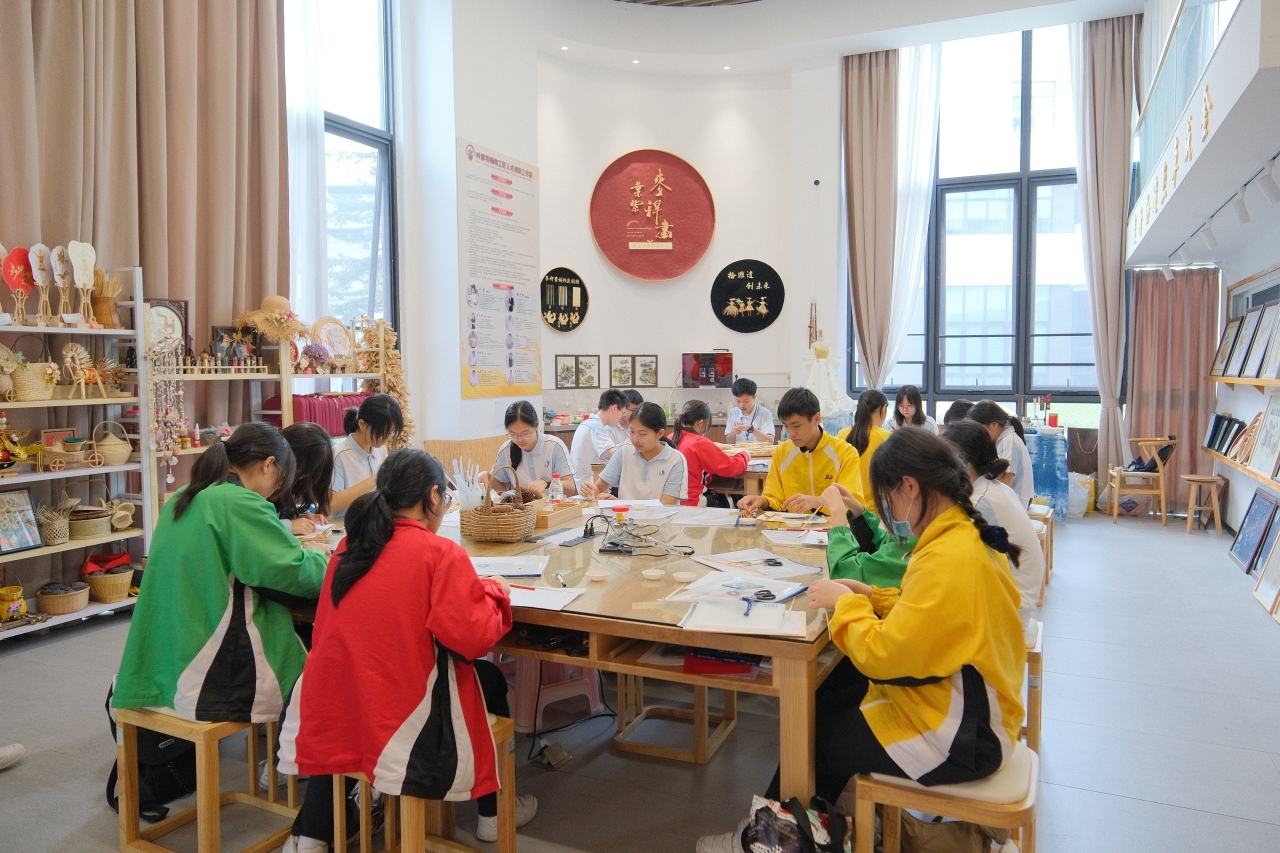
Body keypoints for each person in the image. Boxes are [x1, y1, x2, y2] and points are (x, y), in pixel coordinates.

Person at [697, 430, 1025, 852]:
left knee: (820, 740)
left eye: (885, 501)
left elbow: (884, 657)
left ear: (910, 487)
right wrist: (873, 596)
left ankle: (769, 840)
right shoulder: (956, 535)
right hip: (964, 707)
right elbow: (930, 616)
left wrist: (846, 604)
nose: (886, 514)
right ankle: (784, 829)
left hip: (964, 736)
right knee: (829, 695)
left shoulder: (948, 555)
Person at [279, 450, 536, 852]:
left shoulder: (349, 546)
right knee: (488, 680)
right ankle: (492, 814)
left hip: (334, 705)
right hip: (402, 717)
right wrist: (494, 591)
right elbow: (473, 639)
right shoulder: (439, 553)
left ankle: (311, 836)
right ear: (433, 497)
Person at [112, 423, 328, 722]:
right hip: (209, 665)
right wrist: (321, 557)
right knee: (325, 659)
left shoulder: (187, 493)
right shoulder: (240, 502)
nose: (275, 492)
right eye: (280, 481)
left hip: (163, 657)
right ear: (268, 465)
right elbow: (293, 573)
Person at [944, 422, 1045, 645]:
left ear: (963, 461)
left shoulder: (981, 500)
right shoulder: (991, 487)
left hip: (1010, 609)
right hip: (1018, 598)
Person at [737, 387, 862, 514]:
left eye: (796, 426)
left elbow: (853, 507)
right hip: (791, 525)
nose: (791, 433)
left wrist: (819, 502)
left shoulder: (845, 453)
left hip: (834, 526)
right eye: (786, 426)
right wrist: (763, 501)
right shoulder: (782, 452)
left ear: (816, 419)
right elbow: (776, 500)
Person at [579, 403, 688, 505]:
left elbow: (666, 505)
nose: (635, 439)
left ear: (660, 433)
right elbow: (599, 487)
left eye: (642, 435)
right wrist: (589, 491)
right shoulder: (623, 452)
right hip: (624, 518)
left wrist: (622, 504)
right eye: (631, 432)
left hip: (660, 519)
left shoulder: (675, 460)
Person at [820, 483, 914, 589]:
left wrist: (837, 512)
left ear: (911, 487)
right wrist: (857, 511)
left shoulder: (916, 552)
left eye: (885, 499)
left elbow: (846, 577)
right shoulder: (916, 534)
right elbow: (883, 545)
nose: (883, 507)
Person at [481, 400, 577, 497]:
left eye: (525, 433)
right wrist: (488, 477)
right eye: (513, 434)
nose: (519, 439)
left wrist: (546, 482)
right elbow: (503, 487)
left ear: (537, 425)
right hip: (522, 506)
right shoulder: (506, 450)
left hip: (552, 504)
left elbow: (570, 487)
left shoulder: (554, 446)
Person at [330, 393, 403, 519]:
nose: (386, 439)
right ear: (362, 424)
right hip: (345, 525)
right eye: (381, 433)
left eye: (391, 432)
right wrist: (376, 479)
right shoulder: (339, 454)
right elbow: (330, 505)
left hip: (373, 522)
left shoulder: (380, 449)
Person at [669, 400, 750, 507]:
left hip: (670, 502)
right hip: (693, 504)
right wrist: (745, 454)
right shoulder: (699, 443)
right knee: (728, 502)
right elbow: (732, 467)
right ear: (701, 423)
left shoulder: (671, 437)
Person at [968, 400, 1035, 506]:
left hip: (1015, 503)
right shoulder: (1003, 440)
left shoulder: (1009, 442)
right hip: (1009, 500)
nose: (976, 434)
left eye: (978, 429)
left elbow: (1005, 484)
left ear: (994, 425)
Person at [274, 422, 334, 535]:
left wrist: (298, 518)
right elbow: (254, 526)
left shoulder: (285, 485)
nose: (301, 477)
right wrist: (289, 525)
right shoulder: (265, 481)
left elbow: (274, 516)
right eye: (300, 471)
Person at [837, 389, 890, 504]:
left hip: (846, 507)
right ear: (883, 409)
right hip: (874, 510)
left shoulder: (842, 435)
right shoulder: (886, 438)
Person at [569, 389, 628, 488]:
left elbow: (607, 452)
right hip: (589, 485)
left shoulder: (587, 423)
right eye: (622, 414)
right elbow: (615, 454)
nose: (620, 419)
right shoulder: (596, 427)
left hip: (582, 482)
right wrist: (627, 443)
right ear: (614, 408)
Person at [725, 378, 775, 444]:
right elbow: (729, 442)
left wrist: (751, 429)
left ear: (754, 397)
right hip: (739, 450)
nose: (741, 405)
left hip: (758, 451)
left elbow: (770, 441)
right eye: (738, 401)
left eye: (746, 401)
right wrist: (734, 432)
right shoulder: (733, 413)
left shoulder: (765, 413)